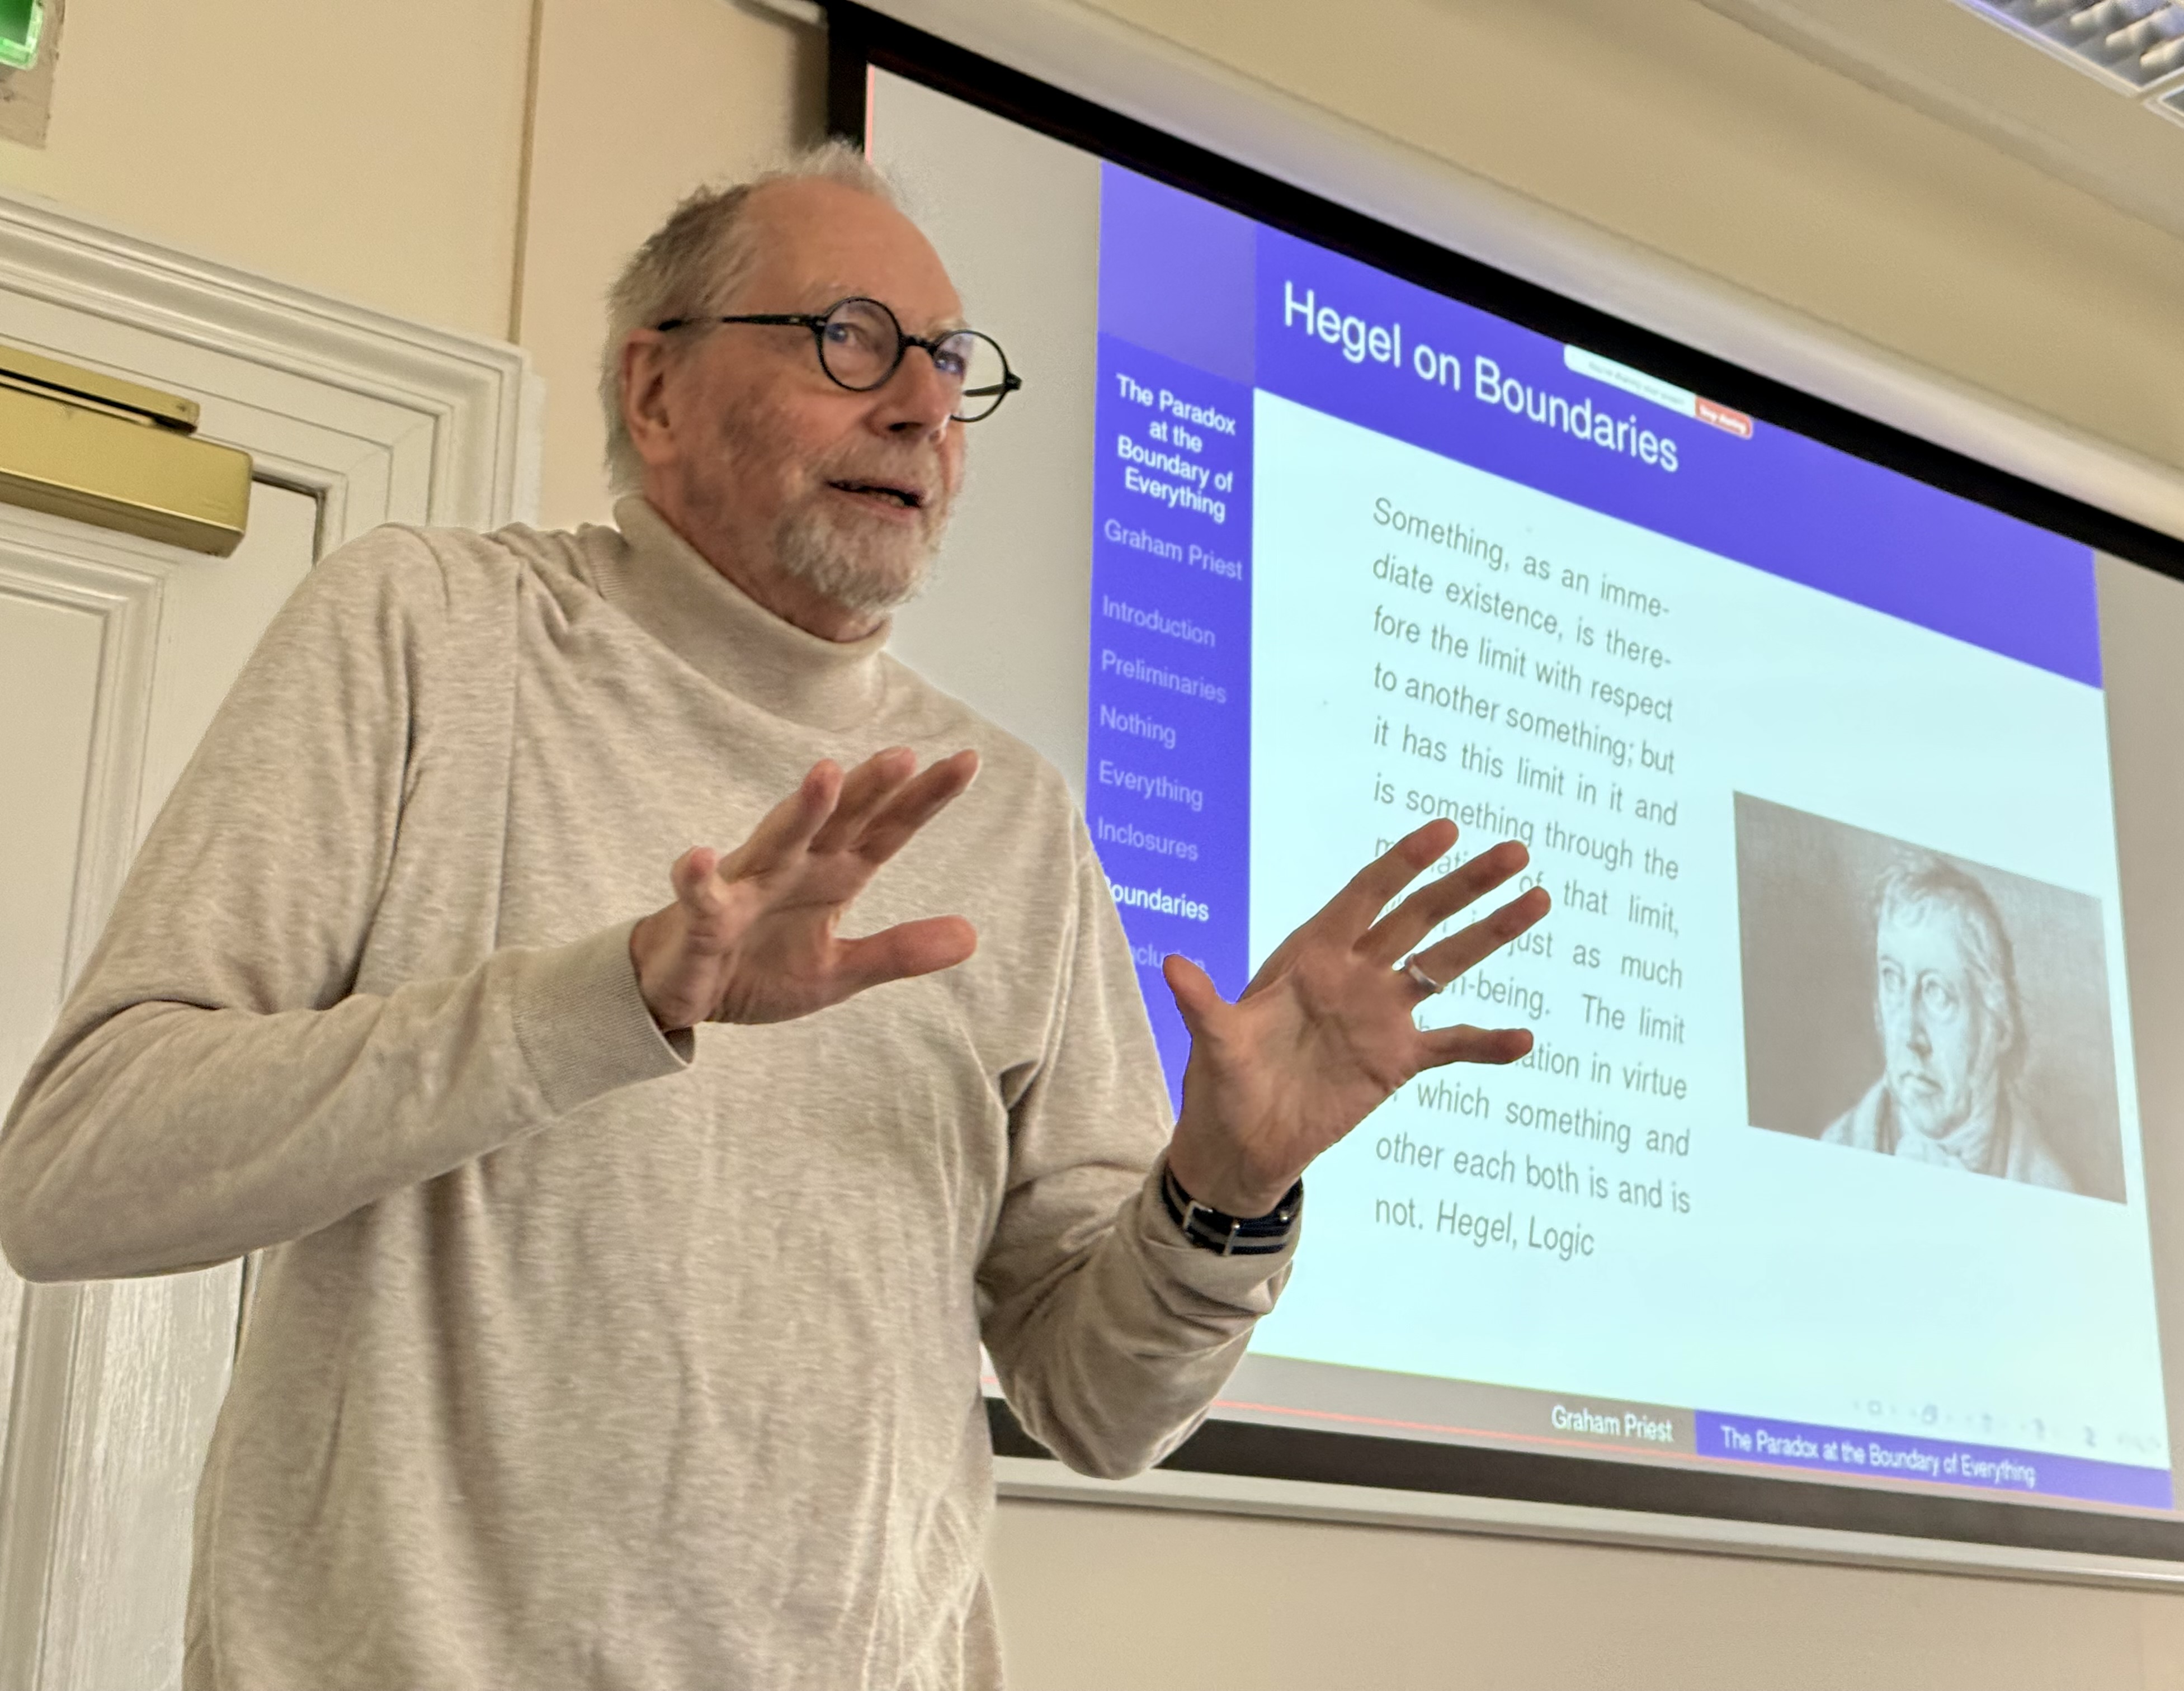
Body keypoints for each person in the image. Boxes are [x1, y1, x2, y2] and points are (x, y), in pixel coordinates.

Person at [0, 144, 1550, 1690]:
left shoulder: (1005, 810)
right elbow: (75, 1177)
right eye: (850, 340)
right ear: (656, 394)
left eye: (950, 366)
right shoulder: (430, 633)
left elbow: (1101, 1406)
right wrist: (610, 998)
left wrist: (1226, 1187)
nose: (924, 407)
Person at [1822, 854, 2072, 1191]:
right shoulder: (1834, 1150)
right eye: (1893, 981)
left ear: (1998, 1028)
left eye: (1937, 993)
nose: (1910, 1035)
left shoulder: (2052, 1189)